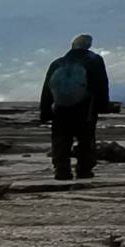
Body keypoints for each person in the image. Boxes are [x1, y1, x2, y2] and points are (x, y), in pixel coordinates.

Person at [38, 34, 115, 181]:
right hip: (85, 108)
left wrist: (45, 110)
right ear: (88, 46)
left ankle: (62, 171)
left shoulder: (57, 63)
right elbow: (101, 85)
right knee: (86, 139)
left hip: (61, 108)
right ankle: (84, 170)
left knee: (61, 140)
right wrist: (102, 105)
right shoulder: (94, 61)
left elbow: (47, 88)